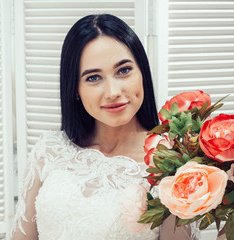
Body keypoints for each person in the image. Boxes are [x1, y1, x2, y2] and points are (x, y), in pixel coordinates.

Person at [10, 14, 200, 240]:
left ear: (142, 73)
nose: (113, 92)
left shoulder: (171, 163)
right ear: (75, 89)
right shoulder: (49, 150)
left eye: (123, 71)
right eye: (93, 78)